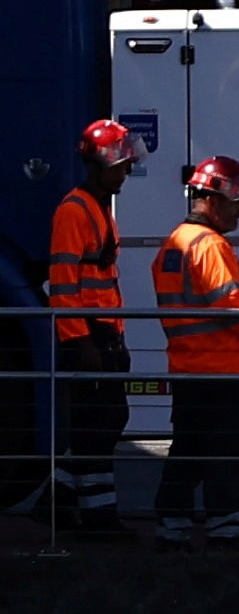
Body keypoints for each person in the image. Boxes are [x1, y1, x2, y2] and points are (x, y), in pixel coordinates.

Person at [149, 157, 239, 550]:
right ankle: (224, 525)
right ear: (213, 200)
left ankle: (171, 523)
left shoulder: (175, 243)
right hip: (219, 370)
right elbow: (233, 306)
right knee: (225, 449)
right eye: (237, 202)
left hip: (187, 367)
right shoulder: (210, 247)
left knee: (187, 448)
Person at [46, 119, 139, 536]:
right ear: (99, 165)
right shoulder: (74, 210)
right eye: (120, 165)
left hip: (103, 332)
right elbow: (64, 285)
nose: (125, 172)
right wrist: (81, 341)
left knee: (103, 421)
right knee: (99, 424)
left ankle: (59, 497)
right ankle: (99, 517)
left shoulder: (97, 207)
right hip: (88, 334)